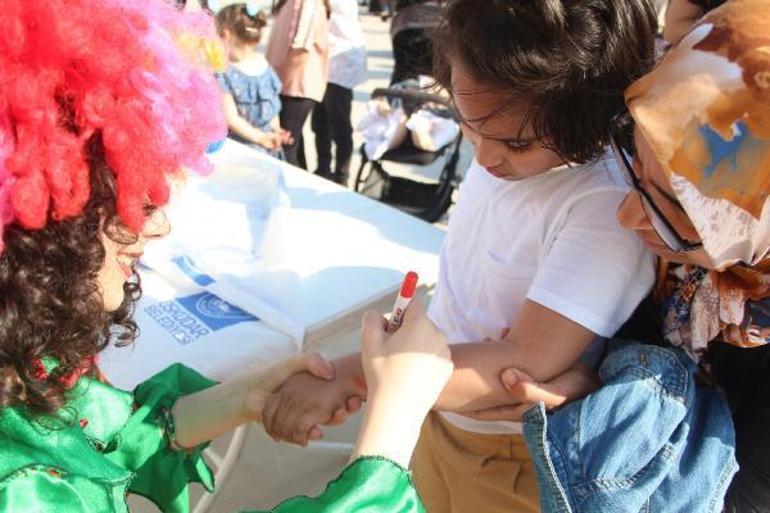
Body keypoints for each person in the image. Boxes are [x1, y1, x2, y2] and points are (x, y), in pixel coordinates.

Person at [0, 1, 452, 511]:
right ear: (38, 232)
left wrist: (245, 395)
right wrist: (392, 427)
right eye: (132, 202)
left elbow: (90, 435)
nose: (158, 225)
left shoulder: (23, 367)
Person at [260, 1, 660, 511]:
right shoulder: (507, 152)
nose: (487, 158)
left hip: (512, 455)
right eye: (469, 125)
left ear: (590, 113)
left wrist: (353, 374)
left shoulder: (602, 204)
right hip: (438, 413)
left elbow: (524, 364)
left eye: (517, 143)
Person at [475, 2, 770, 511]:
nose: (627, 217)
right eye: (635, 152)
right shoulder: (687, 247)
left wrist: (604, 400)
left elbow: (732, 495)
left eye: (678, 207)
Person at [216, 4, 293, 158]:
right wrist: (275, 130)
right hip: (269, 149)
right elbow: (271, 109)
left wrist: (260, 138)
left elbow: (231, 119)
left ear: (225, 35)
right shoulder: (264, 65)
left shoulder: (224, 73)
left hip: (240, 151)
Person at [266, 0, 330, 169]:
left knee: (285, 150)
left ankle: (291, 194)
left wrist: (275, 86)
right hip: (289, 84)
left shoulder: (307, 4)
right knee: (292, 149)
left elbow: (300, 50)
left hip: (296, 85)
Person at [310, 0, 366, 185]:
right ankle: (323, 168)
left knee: (339, 123)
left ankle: (342, 175)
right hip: (323, 63)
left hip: (341, 62)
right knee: (319, 122)